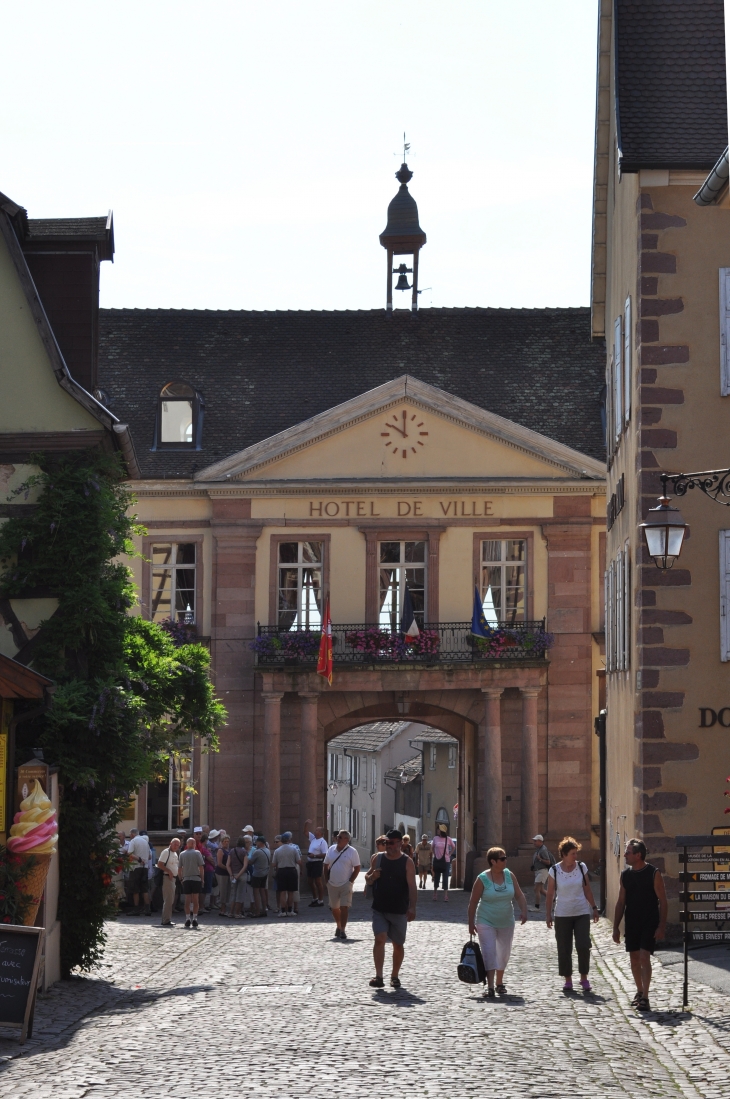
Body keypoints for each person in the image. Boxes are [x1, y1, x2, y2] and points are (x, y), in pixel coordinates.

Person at [612, 839, 668, 1012]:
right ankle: (639, 990)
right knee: (634, 958)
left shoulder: (653, 873)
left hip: (649, 921)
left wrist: (661, 926)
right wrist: (615, 927)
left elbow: (663, 901)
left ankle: (645, 997)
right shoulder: (626, 875)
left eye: (628, 852)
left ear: (638, 855)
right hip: (632, 922)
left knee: (645, 957)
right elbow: (621, 902)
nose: (625, 855)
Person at [468, 846, 528, 997]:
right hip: (485, 920)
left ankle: (499, 983)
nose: (505, 860)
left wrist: (524, 910)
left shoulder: (509, 875)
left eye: (505, 857)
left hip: (506, 921)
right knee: (489, 952)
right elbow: (473, 902)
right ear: (493, 861)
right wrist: (470, 922)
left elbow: (519, 895)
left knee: (503, 953)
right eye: (502, 859)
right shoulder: (482, 878)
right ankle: (489, 986)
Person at [545, 837, 599, 992]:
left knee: (583, 945)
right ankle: (567, 979)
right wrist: (548, 915)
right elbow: (550, 894)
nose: (576, 856)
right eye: (573, 854)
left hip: (581, 912)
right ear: (564, 854)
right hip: (562, 913)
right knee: (564, 948)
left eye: (576, 853)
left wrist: (594, 908)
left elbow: (587, 890)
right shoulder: (554, 870)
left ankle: (584, 978)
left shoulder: (582, 867)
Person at [365, 828, 417, 988]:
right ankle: (379, 976)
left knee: (398, 944)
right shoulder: (378, 859)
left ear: (400, 843)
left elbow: (412, 886)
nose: (388, 845)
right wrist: (372, 877)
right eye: (386, 842)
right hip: (379, 907)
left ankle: (394, 975)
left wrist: (412, 907)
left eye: (391, 842)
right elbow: (368, 878)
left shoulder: (407, 862)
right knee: (379, 938)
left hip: (399, 909)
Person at [323, 828, 361, 940]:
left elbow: (357, 868)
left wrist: (350, 881)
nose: (337, 838)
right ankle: (338, 926)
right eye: (337, 837)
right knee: (334, 908)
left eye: (339, 837)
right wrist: (326, 881)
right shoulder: (331, 849)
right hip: (332, 883)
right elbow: (325, 865)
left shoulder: (352, 851)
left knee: (344, 907)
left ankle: (343, 929)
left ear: (346, 840)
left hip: (345, 884)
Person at [272, 831, 302, 916]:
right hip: (292, 870)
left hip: (281, 871)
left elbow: (273, 864)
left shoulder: (277, 851)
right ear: (289, 840)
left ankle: (282, 911)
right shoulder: (294, 849)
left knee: (282, 892)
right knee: (290, 892)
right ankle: (290, 910)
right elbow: (299, 861)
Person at [179, 836, 205, 928]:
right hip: (196, 878)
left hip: (186, 878)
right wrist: (202, 879)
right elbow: (201, 868)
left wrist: (181, 878)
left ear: (187, 844)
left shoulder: (182, 854)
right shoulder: (197, 853)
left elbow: (179, 868)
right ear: (193, 844)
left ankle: (187, 918)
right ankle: (194, 918)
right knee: (195, 900)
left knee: (187, 900)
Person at [126, 828, 152, 916]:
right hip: (145, 868)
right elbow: (149, 857)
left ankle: (136, 909)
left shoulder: (133, 841)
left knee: (135, 889)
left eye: (130, 834)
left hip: (136, 867)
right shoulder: (146, 842)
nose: (129, 836)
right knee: (145, 889)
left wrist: (139, 859)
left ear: (133, 834)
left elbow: (129, 853)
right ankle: (147, 909)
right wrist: (143, 858)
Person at [156, 836, 181, 927]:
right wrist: (169, 871)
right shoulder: (166, 852)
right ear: (170, 843)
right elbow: (160, 864)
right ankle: (166, 920)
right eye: (175, 844)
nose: (176, 846)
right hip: (167, 877)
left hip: (173, 878)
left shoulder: (175, 854)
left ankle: (167, 918)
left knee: (171, 900)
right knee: (168, 899)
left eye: (178, 845)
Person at [245, 836, 271, 916]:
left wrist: (245, 857)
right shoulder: (268, 851)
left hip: (257, 874)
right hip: (264, 873)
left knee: (255, 893)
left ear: (260, 843)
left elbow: (251, 862)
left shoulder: (257, 852)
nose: (255, 843)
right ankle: (264, 910)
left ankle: (257, 912)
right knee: (262, 891)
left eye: (257, 842)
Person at [304, 820, 328, 906]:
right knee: (310, 881)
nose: (315, 831)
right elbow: (306, 832)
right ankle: (315, 898)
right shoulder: (313, 838)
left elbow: (325, 854)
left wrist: (314, 856)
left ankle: (321, 900)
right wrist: (306, 823)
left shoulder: (323, 842)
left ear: (321, 833)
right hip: (310, 863)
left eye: (317, 830)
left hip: (317, 863)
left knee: (318, 881)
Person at [431, 826, 456, 902]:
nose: (437, 830)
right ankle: (435, 893)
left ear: (442, 831)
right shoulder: (435, 838)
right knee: (436, 878)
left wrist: (450, 854)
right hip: (438, 860)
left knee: (445, 878)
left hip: (446, 861)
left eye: (439, 829)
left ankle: (445, 895)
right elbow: (432, 847)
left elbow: (453, 847)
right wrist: (435, 854)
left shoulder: (448, 839)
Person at [531, 834, 554, 910]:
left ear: (540, 841)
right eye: (534, 841)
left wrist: (540, 859)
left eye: (535, 841)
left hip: (542, 871)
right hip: (539, 871)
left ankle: (537, 907)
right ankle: (553, 899)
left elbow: (548, 861)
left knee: (536, 889)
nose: (534, 842)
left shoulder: (543, 850)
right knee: (541, 890)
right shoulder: (539, 849)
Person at [215, 834, 231, 916]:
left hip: (227, 873)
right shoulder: (220, 850)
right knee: (223, 890)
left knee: (227, 890)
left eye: (228, 841)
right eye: (225, 841)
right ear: (222, 842)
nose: (226, 843)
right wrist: (228, 869)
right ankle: (222, 909)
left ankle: (224, 907)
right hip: (221, 873)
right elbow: (219, 863)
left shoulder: (229, 850)